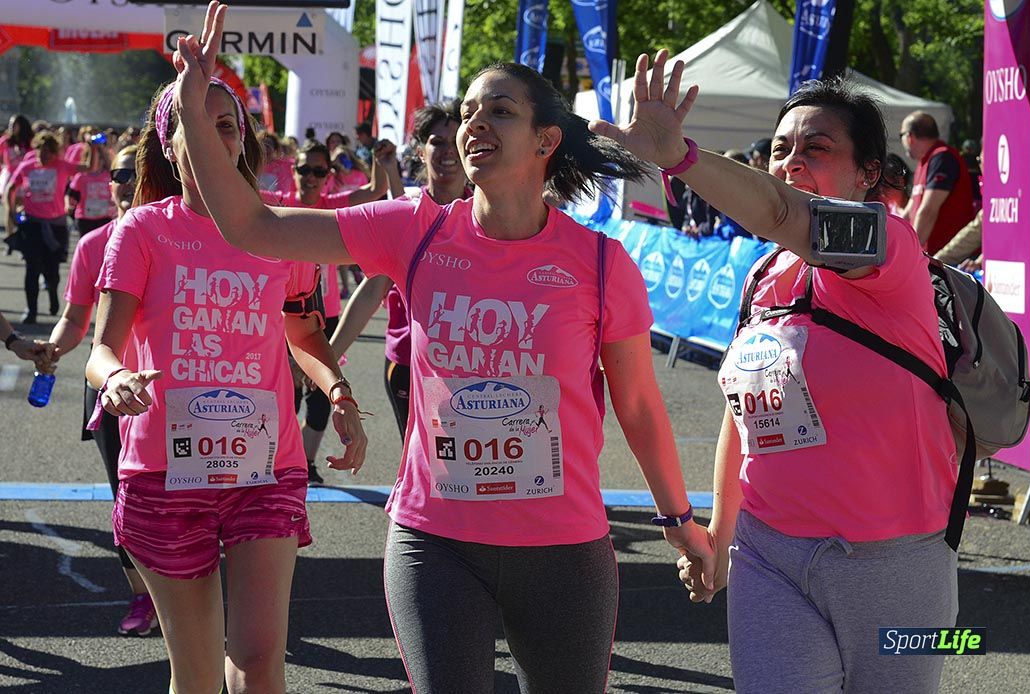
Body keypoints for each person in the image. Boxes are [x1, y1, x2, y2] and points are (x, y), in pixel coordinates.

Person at [172, 6, 710, 691]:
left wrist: (680, 522)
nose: (475, 123)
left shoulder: (601, 264)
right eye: (469, 112)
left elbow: (637, 404)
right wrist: (194, 110)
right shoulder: (414, 230)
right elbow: (253, 225)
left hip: (564, 551)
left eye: (501, 111)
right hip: (436, 545)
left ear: (546, 140)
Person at [593, 50, 959, 692]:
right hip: (769, 555)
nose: (791, 161)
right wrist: (718, 537)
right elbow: (749, 413)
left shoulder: (889, 247)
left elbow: (786, 214)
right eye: (782, 147)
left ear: (868, 173)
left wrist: (680, 158)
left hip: (898, 566)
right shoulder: (765, 275)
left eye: (816, 147)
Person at [84, 75, 367, 693]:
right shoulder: (141, 233)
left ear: (242, 140)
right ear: (168, 142)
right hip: (164, 473)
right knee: (198, 676)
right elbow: (100, 349)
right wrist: (118, 378)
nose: (214, 137)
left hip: (266, 469)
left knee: (261, 661)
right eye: (194, 123)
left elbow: (304, 334)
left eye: (226, 124)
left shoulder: (278, 229)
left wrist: (337, 391)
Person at [47, 145, 158, 635]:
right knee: (127, 496)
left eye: (136, 172)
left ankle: (191, 590)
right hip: (110, 391)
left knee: (188, 491)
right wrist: (50, 348)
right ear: (106, 183)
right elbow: (75, 319)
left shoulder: (171, 236)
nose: (126, 181)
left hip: (166, 390)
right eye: (117, 173)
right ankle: (142, 596)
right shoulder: (94, 245)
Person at [329, 100, 470, 441]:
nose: (447, 152)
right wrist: (328, 358)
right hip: (408, 364)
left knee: (472, 477)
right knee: (423, 462)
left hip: (471, 367)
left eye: (456, 142)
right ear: (421, 152)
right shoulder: (402, 215)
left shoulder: (492, 219)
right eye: (437, 142)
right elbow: (372, 290)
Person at [261, 138, 395, 483]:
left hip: (328, 315)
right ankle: (283, 461)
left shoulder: (332, 205)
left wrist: (380, 158)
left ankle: (306, 462)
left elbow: (377, 188)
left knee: (321, 398)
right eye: (304, 169)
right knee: (287, 395)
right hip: (287, 314)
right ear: (294, 171)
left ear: (328, 175)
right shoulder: (281, 205)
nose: (310, 177)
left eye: (318, 171)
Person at [5, 131, 84, 323]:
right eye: (41, 151)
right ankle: (31, 310)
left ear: (55, 153)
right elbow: (10, 190)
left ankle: (52, 294)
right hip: (32, 224)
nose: (44, 155)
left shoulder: (62, 166)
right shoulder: (27, 166)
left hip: (56, 225)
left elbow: (87, 167)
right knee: (32, 268)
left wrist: (94, 147)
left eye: (49, 152)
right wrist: (12, 212)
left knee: (52, 270)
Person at [900, 111, 975, 254]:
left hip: (948, 259)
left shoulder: (942, 157)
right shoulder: (925, 161)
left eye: (901, 135)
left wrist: (910, 254)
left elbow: (928, 211)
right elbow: (909, 212)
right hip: (933, 256)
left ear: (909, 137)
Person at [67, 134, 117, 235]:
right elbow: (71, 195)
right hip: (85, 219)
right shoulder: (81, 177)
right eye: (96, 159)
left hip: (105, 217)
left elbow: (111, 167)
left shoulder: (108, 175)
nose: (98, 162)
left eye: (100, 159)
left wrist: (100, 149)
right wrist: (68, 205)